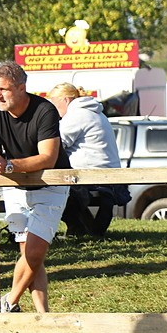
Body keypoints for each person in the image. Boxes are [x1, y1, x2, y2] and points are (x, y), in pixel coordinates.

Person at [0, 61, 70, 314]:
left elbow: (47, 157)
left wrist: (8, 165)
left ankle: (9, 301)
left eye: (3, 89)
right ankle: (42, 314)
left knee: (35, 252)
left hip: (50, 184)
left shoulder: (45, 110)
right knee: (30, 255)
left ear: (21, 87)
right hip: (16, 185)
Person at [47, 82, 127, 236]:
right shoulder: (94, 112)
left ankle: (79, 228)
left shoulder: (77, 115)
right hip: (107, 174)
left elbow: (56, 143)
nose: (53, 110)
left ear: (65, 100)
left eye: (54, 104)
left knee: (50, 189)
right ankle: (85, 229)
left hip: (90, 175)